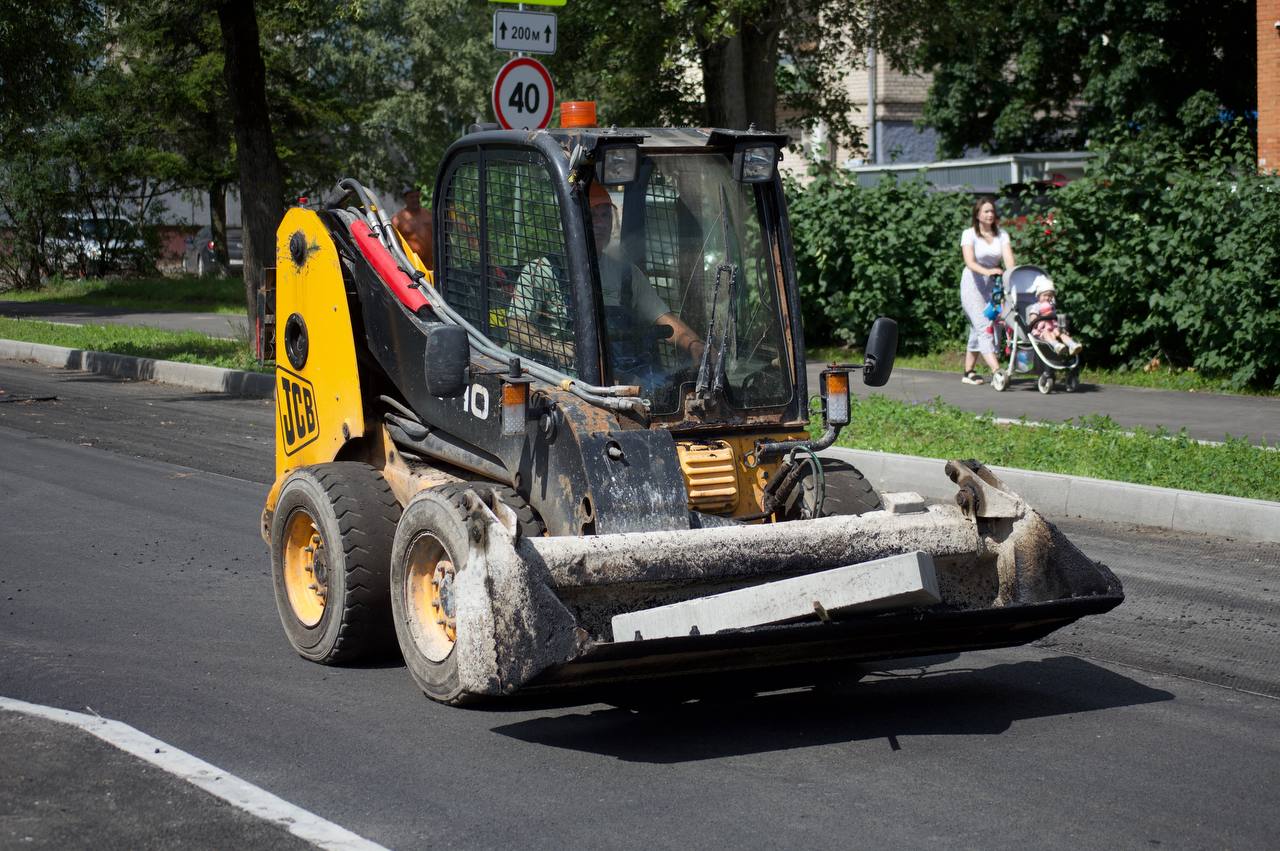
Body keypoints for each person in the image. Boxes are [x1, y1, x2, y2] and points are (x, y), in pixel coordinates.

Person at [509, 181, 704, 383]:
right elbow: (515, 326)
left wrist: (694, 345)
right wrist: (556, 348)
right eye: (592, 215)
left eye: (605, 215)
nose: (601, 223)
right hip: (562, 380)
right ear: (573, 220)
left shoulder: (626, 274)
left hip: (616, 373)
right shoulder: (543, 269)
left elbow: (663, 318)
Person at [959, 195, 1015, 385]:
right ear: (978, 215)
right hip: (973, 283)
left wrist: (1011, 276)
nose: (990, 214)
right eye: (986, 211)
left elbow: (1008, 261)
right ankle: (997, 370)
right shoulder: (969, 234)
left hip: (994, 284)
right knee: (984, 326)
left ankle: (968, 372)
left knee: (984, 326)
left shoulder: (1002, 235)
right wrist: (988, 271)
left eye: (992, 211)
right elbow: (970, 262)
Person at [1028, 275, 1082, 355]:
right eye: (1045, 295)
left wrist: (1063, 328)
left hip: (1053, 328)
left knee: (1061, 332)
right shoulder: (1036, 306)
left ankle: (1072, 345)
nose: (1047, 298)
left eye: (1050, 296)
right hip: (1041, 330)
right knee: (1046, 333)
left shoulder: (1052, 307)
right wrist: (1037, 319)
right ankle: (1056, 345)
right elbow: (1033, 318)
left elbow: (1056, 318)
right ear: (1039, 296)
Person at [392, 186, 434, 269]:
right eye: (411, 197)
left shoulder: (429, 215)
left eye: (417, 196)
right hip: (413, 268)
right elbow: (394, 245)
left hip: (433, 267)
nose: (415, 199)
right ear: (405, 199)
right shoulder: (397, 220)